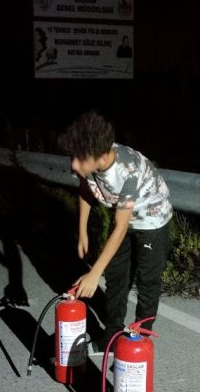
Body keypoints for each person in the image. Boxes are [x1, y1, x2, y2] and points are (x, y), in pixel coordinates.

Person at [60, 111, 172, 349]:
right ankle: (111, 337)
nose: (73, 164)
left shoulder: (126, 170)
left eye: (78, 159)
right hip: (126, 217)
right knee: (116, 277)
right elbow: (85, 190)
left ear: (100, 156)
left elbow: (120, 228)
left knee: (147, 281)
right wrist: (83, 232)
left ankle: (138, 342)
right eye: (73, 157)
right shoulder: (87, 161)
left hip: (152, 221)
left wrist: (93, 273)